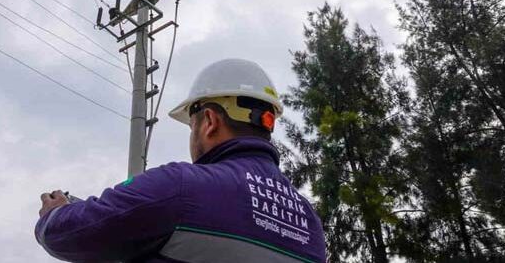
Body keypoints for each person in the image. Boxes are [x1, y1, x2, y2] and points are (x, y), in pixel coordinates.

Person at [35, 58, 326, 262]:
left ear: (210, 121)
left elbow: (67, 235)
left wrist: (54, 213)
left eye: (192, 125)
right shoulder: (310, 223)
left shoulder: (182, 187)